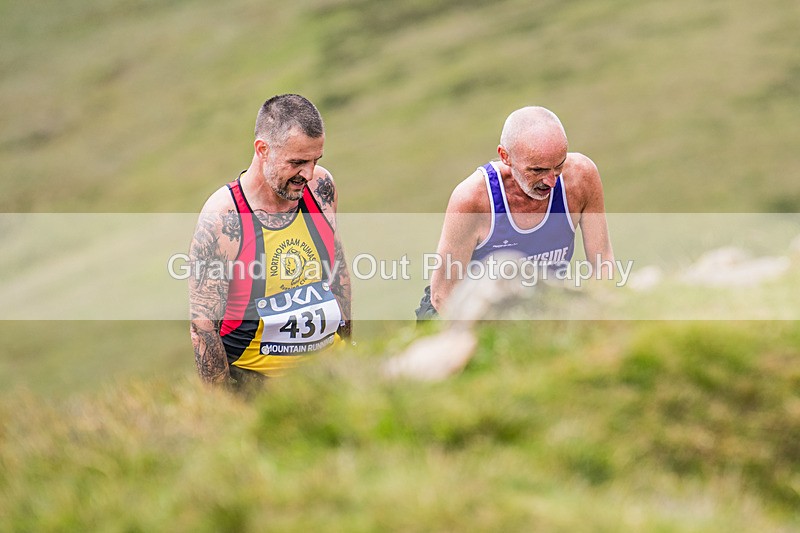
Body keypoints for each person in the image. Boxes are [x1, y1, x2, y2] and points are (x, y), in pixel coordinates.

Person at [189, 94, 352, 388]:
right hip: (259, 382)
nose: (308, 173)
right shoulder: (222, 217)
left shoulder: (321, 187)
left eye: (316, 160)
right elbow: (204, 329)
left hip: (332, 368)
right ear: (263, 149)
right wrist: (222, 407)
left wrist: (350, 352)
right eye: (297, 162)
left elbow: (337, 272)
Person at [418, 105, 613, 318]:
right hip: (461, 311)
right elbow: (442, 296)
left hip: (536, 305)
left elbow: (603, 261)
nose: (550, 181)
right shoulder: (472, 199)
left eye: (559, 166)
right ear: (505, 156)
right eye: (537, 170)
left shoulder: (581, 178)